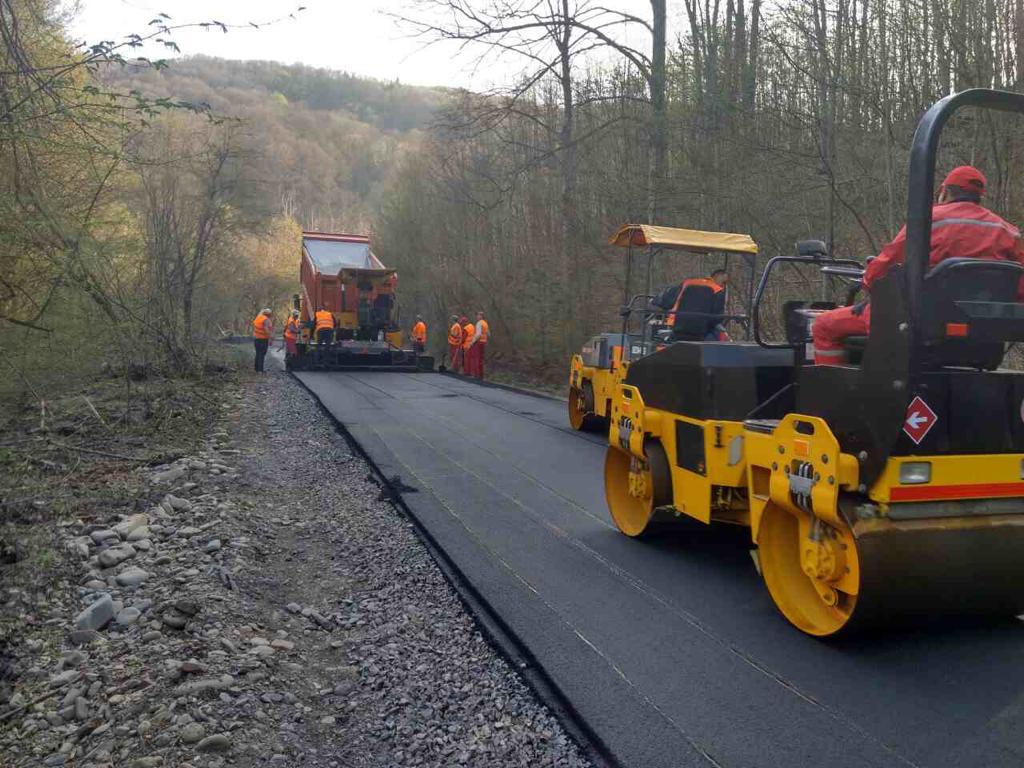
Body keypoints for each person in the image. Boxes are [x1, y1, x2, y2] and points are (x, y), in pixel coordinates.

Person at [812, 165, 1024, 364]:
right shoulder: (1008, 231)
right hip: (983, 333)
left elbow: (885, 265)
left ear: (945, 192)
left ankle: (827, 398)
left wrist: (868, 282)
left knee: (823, 325)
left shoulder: (930, 220)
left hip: (918, 323)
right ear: (979, 196)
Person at [666, 269, 729, 341]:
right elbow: (717, 318)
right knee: (722, 336)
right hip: (702, 334)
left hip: (676, 329)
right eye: (724, 282)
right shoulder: (718, 291)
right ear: (716, 277)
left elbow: (666, 301)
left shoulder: (688, 283)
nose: (724, 285)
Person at [252, 307, 274, 373]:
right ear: (268, 314)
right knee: (262, 354)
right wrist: (271, 337)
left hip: (256, 338)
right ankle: (260, 370)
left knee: (258, 354)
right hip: (263, 339)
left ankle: (256, 369)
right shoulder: (266, 320)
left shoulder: (258, 317)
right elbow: (266, 330)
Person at [470, 310, 489, 380]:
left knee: (477, 359)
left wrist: (472, 342)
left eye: (478, 315)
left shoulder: (479, 323)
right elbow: (488, 333)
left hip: (478, 342)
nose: (477, 317)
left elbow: (478, 334)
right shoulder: (485, 323)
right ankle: (481, 375)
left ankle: (477, 375)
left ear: (481, 316)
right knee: (481, 359)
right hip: (484, 342)